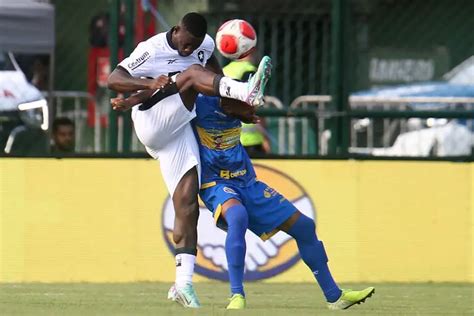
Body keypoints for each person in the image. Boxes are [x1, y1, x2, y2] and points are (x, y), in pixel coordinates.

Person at [107, 11, 272, 308]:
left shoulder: (205, 45)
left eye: (194, 44)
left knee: (186, 202)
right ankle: (248, 90)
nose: (188, 49)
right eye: (185, 43)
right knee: (193, 74)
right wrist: (141, 86)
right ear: (176, 30)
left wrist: (237, 110)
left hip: (179, 127)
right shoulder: (152, 48)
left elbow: (214, 86)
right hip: (152, 121)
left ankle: (183, 285)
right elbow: (113, 78)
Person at [193, 95, 375, 309]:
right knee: (237, 215)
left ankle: (335, 296)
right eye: (243, 100)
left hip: (247, 181)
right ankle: (236, 295)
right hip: (214, 181)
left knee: (305, 227)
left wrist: (247, 108)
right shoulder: (197, 103)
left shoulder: (235, 105)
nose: (247, 106)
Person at [223, 50, 271, 156]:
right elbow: (257, 104)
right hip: (251, 140)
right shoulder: (251, 71)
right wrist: (266, 138)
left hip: (228, 138)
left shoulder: (223, 70)